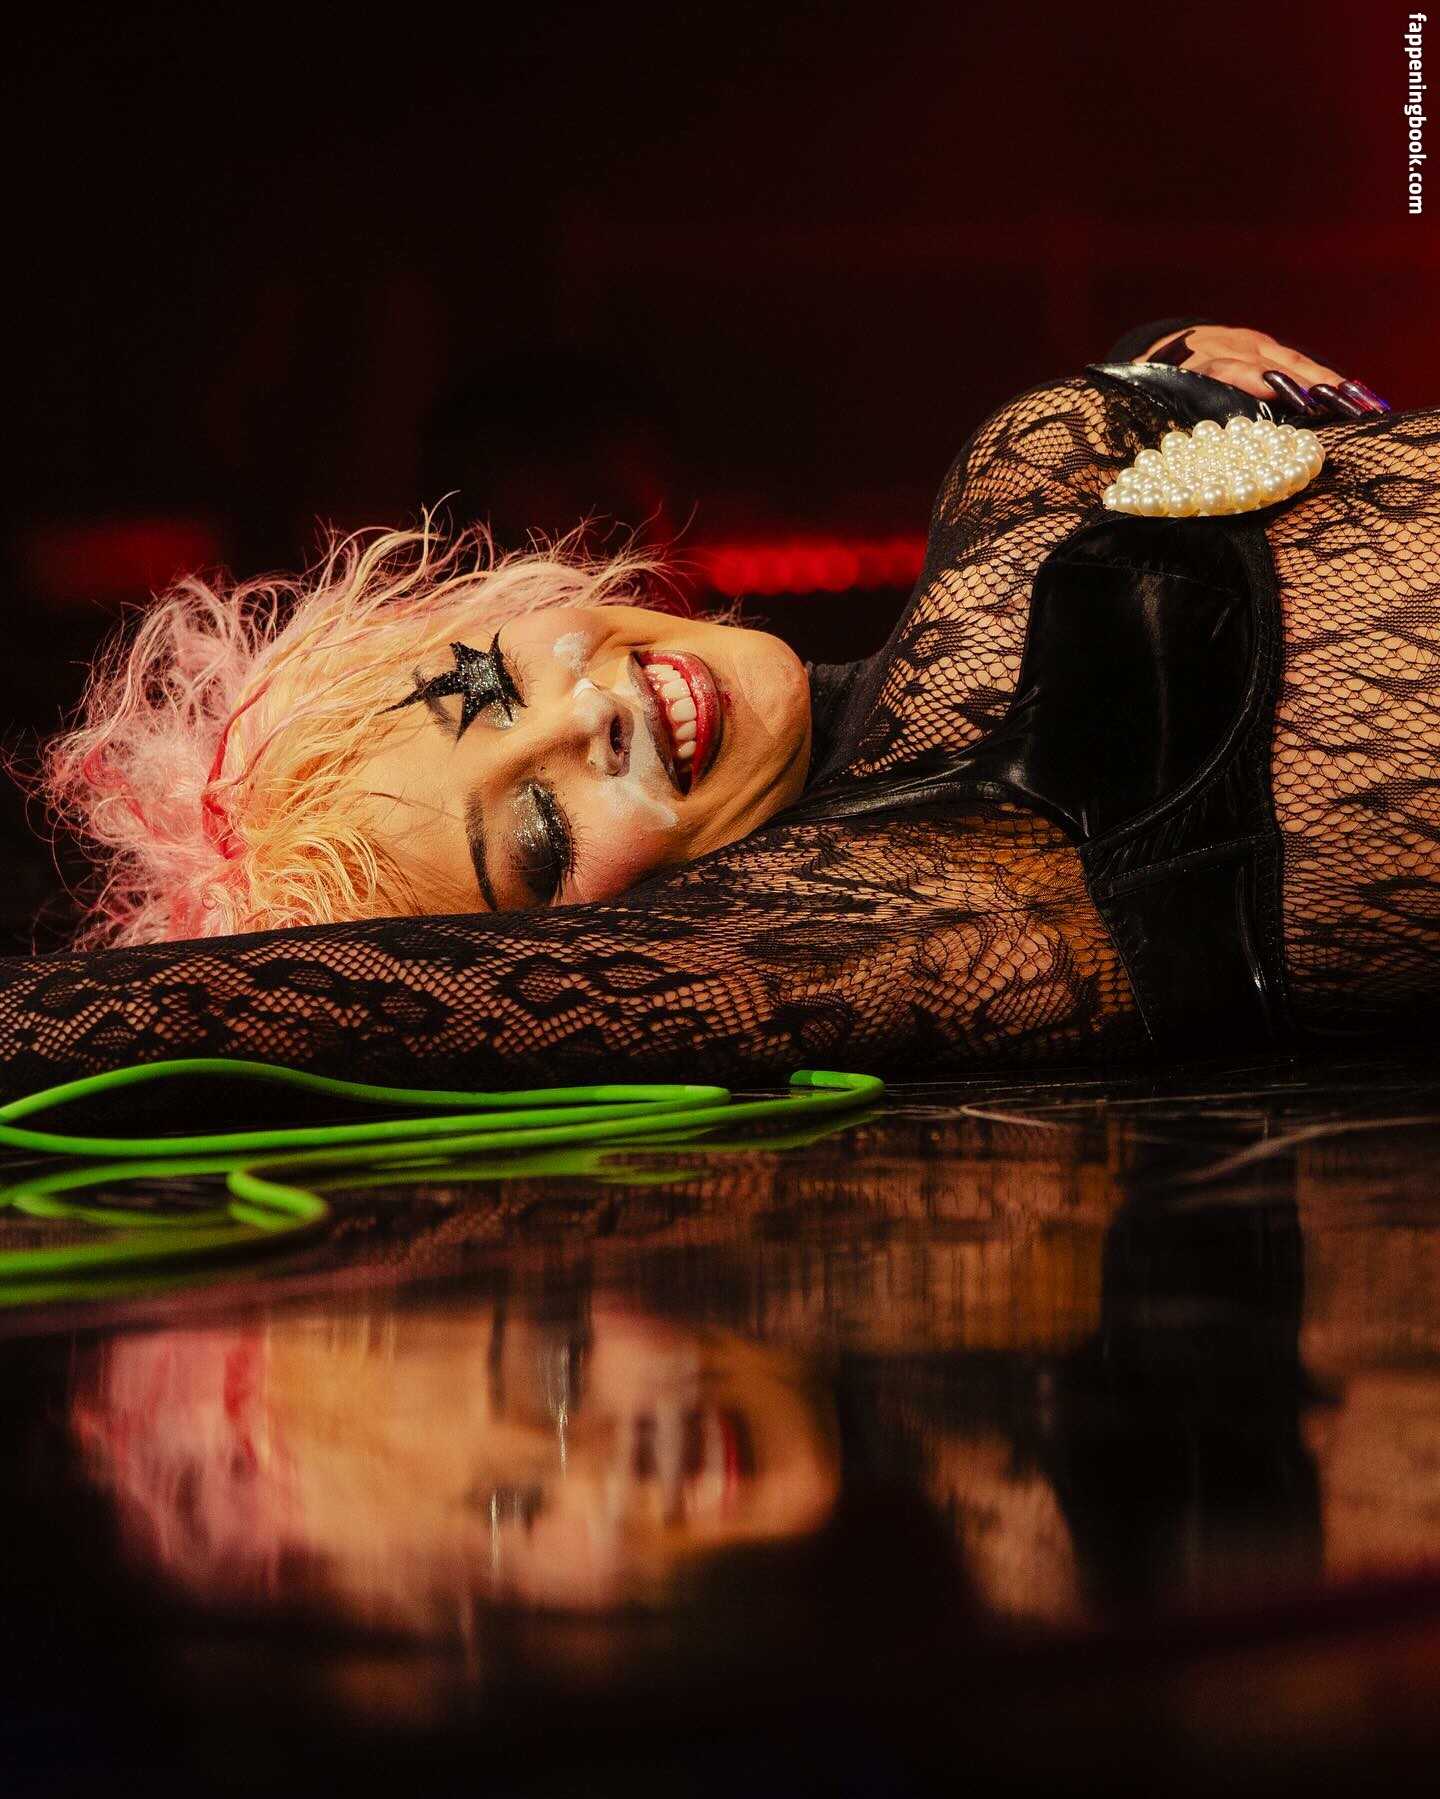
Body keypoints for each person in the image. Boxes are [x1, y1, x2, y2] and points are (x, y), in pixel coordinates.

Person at [1, 318, 1435, 1098]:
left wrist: (1173, 361)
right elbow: (205, 1010)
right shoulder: (899, 910)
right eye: (541, 836)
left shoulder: (1007, 470)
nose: (585, 727)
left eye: (494, 682)